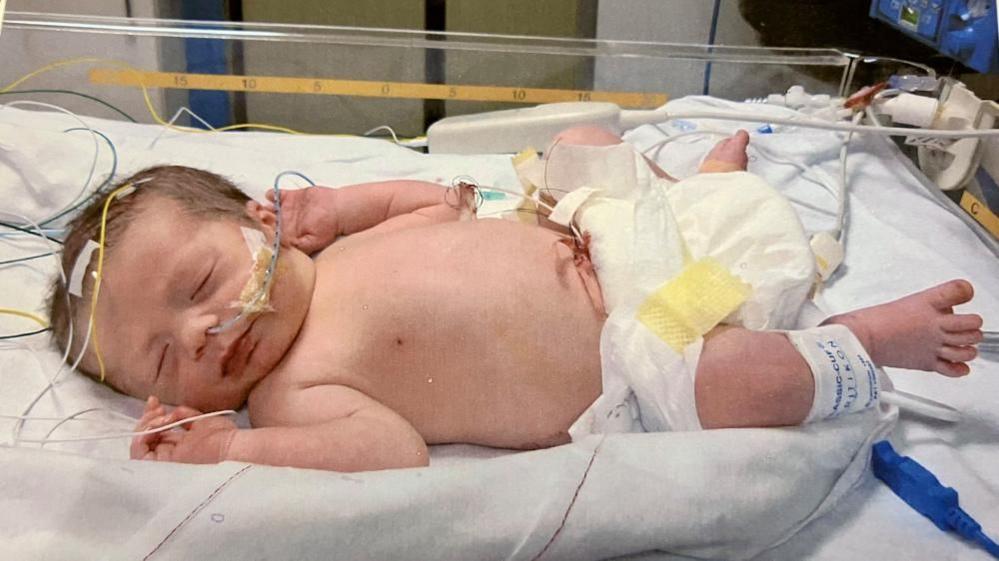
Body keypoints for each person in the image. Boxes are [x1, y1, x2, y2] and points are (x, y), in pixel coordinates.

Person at [46, 127, 984, 472]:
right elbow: (391, 449)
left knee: (585, 140)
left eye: (199, 286)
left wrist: (342, 203)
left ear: (261, 220)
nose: (202, 334)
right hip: (639, 338)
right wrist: (232, 444)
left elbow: (441, 200)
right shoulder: (295, 390)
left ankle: (698, 186)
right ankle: (861, 340)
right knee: (728, 381)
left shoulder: (343, 245)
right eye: (165, 363)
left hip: (616, 237)